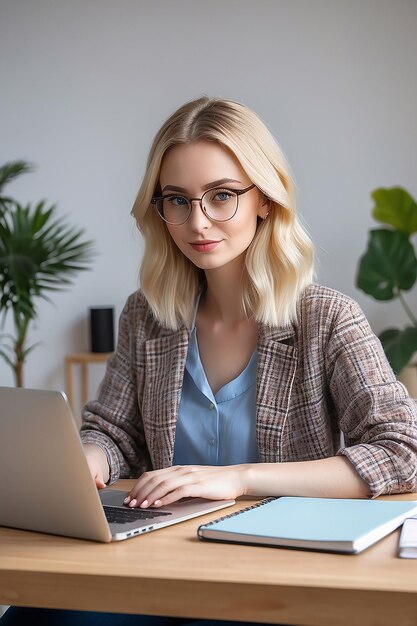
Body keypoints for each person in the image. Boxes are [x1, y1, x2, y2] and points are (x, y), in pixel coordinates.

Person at [3, 96, 417, 626]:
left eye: (222, 196)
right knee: (34, 617)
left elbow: (401, 452)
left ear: (265, 199)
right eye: (177, 199)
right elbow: (115, 433)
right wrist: (90, 460)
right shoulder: (147, 318)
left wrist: (240, 478)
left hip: (278, 570)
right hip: (162, 560)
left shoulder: (328, 318)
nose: (197, 221)